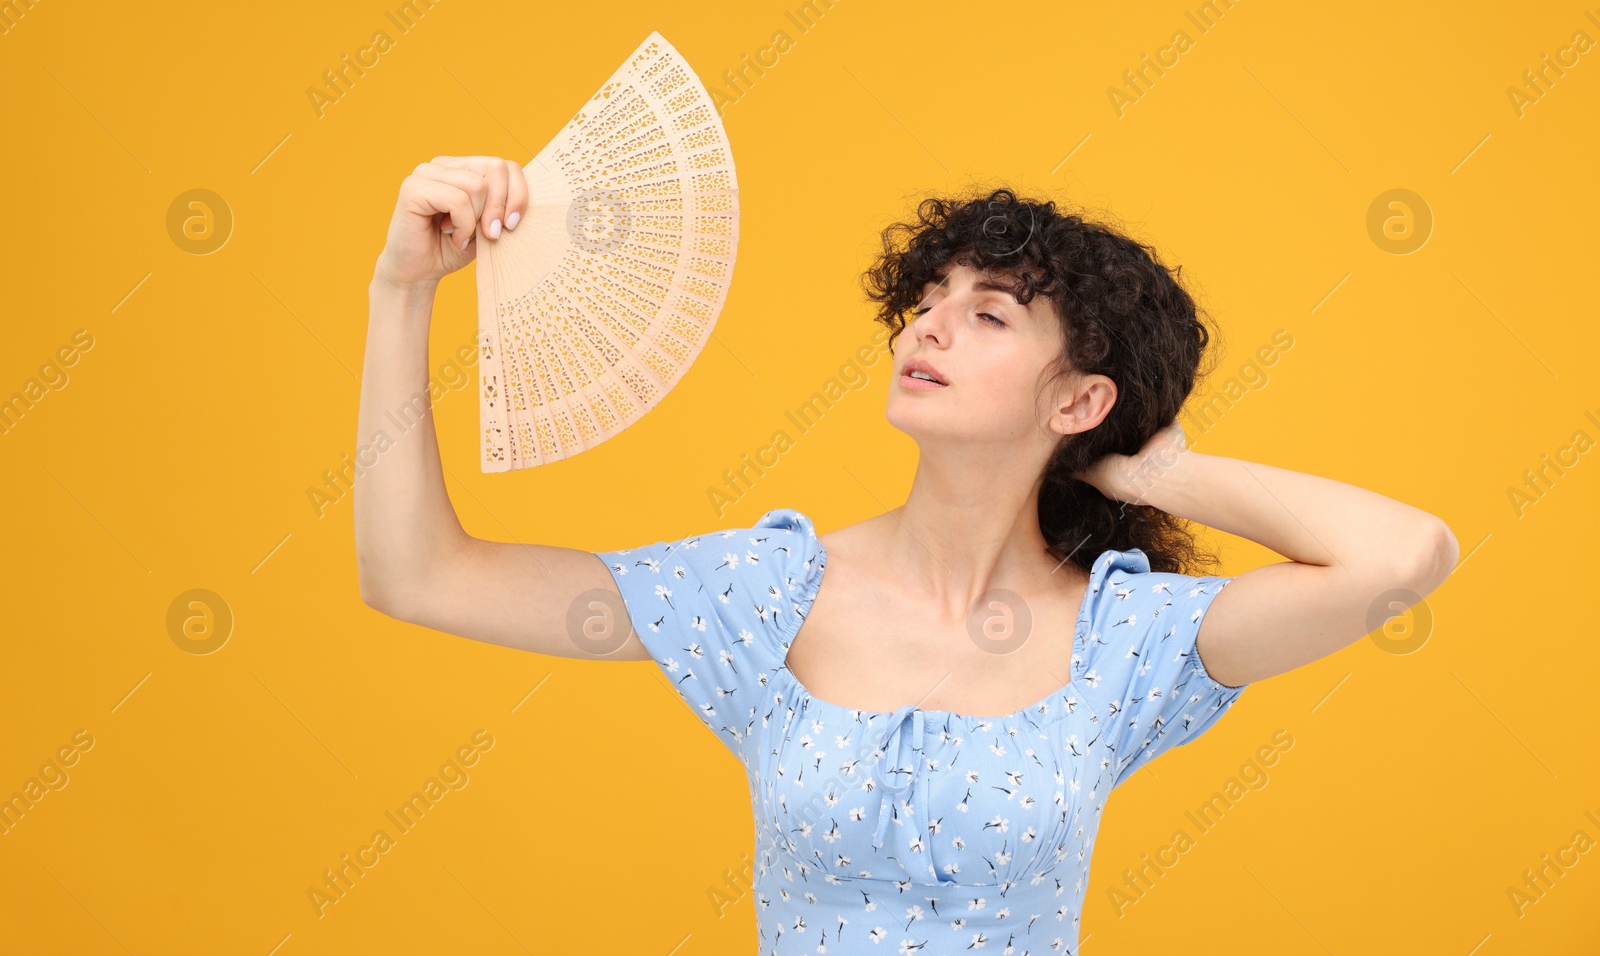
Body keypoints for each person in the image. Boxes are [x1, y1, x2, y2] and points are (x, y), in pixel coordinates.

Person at [355, 154, 1459, 953]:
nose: (925, 327)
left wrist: (1152, 472)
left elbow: (1404, 553)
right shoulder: (765, 594)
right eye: (926, 301)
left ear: (1079, 395)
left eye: (987, 316)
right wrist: (402, 291)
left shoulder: (1129, 637)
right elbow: (419, 575)